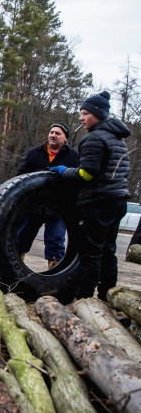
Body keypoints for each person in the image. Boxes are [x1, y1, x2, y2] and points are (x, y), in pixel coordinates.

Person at [51, 91, 130, 300]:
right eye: (81, 113)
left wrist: (64, 171)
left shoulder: (94, 139)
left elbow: (87, 174)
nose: (81, 118)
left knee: (90, 252)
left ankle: (83, 298)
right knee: (108, 251)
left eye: (85, 113)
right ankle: (107, 295)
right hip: (118, 200)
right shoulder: (118, 139)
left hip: (98, 202)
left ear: (99, 114)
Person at [15, 122, 79, 267]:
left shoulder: (74, 156)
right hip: (33, 206)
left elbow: (77, 181)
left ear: (65, 138)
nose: (53, 135)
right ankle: (15, 268)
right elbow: (19, 177)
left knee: (56, 242)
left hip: (58, 208)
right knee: (20, 238)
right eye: (51, 132)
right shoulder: (34, 153)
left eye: (58, 133)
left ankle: (54, 270)